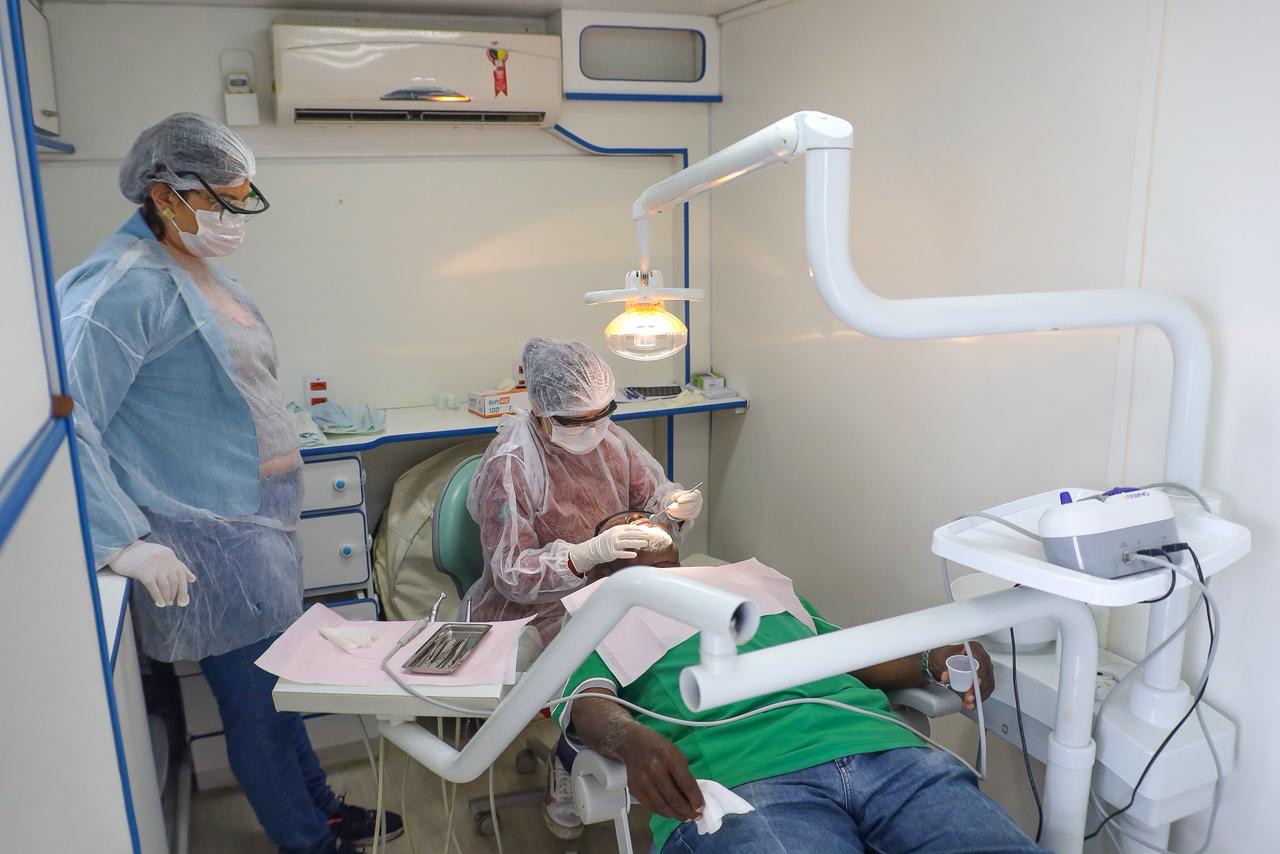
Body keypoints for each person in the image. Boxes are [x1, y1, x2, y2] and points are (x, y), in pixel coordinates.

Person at [57, 113, 400, 854]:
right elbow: (67, 418)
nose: (235, 216)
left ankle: (324, 811)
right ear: (165, 194)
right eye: (222, 199)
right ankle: (309, 841)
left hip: (258, 527)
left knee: (284, 689)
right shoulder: (121, 288)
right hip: (206, 540)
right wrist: (120, 544)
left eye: (243, 198)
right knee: (258, 707)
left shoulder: (195, 271)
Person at [556, 513, 1044, 854]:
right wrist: (632, 741)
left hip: (883, 752)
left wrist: (930, 657)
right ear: (603, 561)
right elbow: (588, 702)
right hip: (744, 778)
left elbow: (849, 653)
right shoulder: (601, 609)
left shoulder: (750, 583)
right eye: (624, 522)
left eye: (647, 516)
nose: (642, 520)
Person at [465, 336, 704, 836]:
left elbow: (653, 497)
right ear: (543, 414)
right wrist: (582, 556)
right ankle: (570, 757)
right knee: (602, 672)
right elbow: (511, 572)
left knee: (667, 647)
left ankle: (673, 745)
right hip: (537, 607)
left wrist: (674, 507)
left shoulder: (610, 440)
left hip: (616, 585)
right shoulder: (512, 464)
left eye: (603, 415)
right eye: (578, 421)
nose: (593, 429)